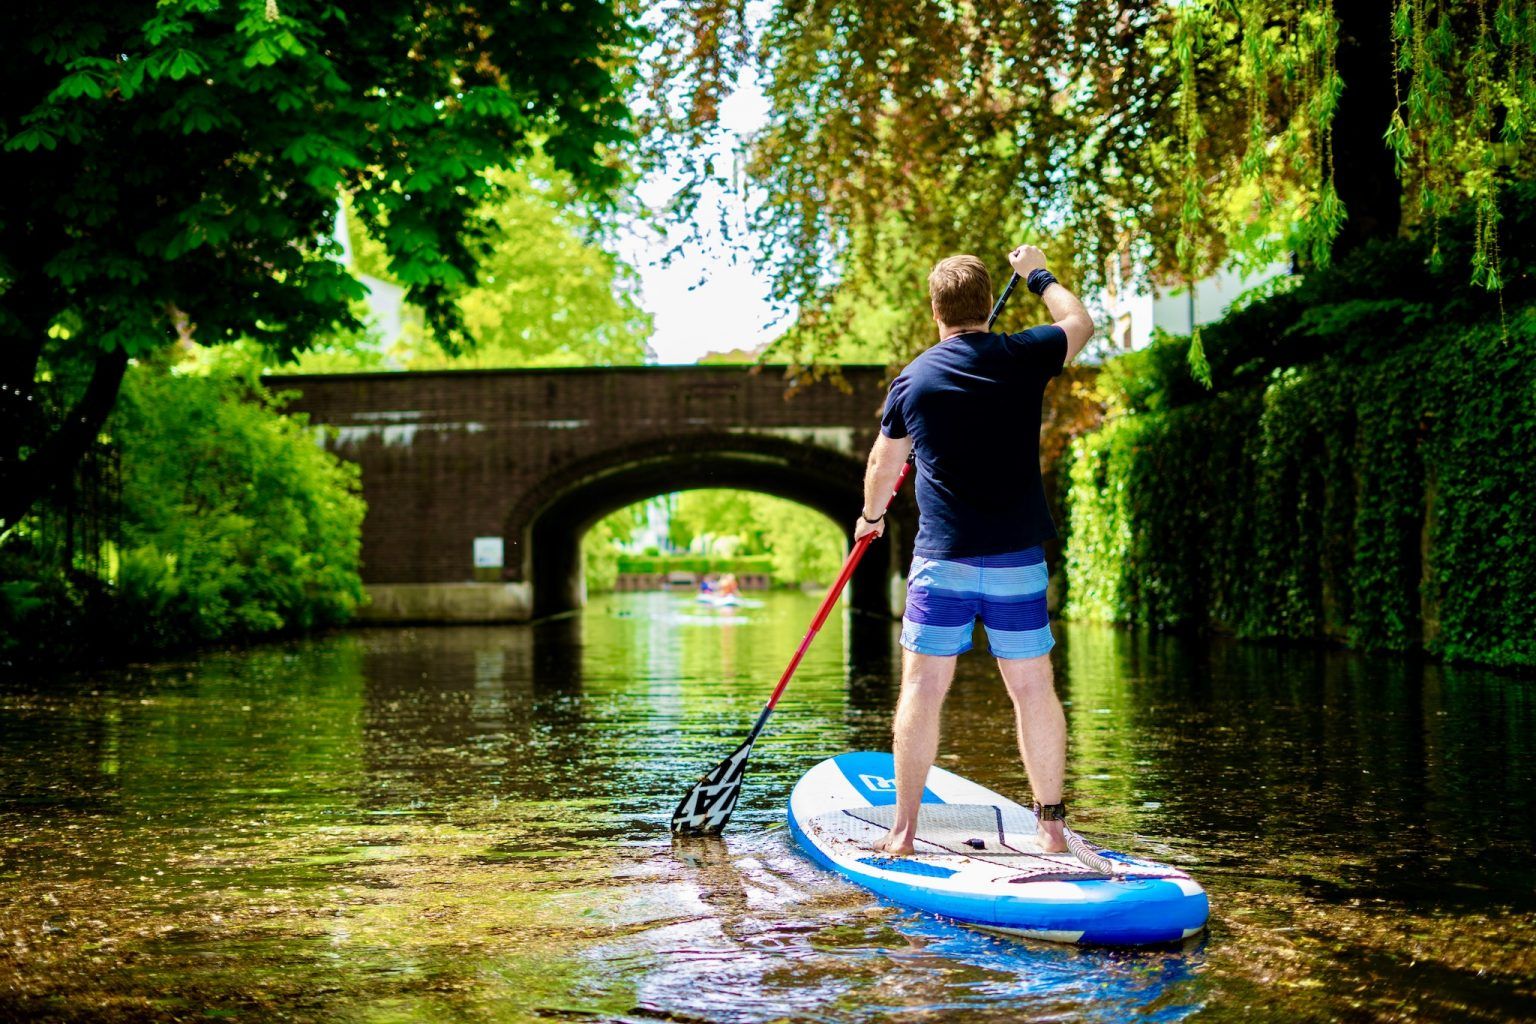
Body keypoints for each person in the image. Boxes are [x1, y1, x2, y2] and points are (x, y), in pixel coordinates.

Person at [854, 246, 1094, 856]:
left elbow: (885, 463)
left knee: (922, 689)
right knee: (1034, 689)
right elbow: (1080, 321)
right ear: (989, 304)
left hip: (944, 562)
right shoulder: (1022, 355)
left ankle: (903, 835)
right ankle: (1051, 831)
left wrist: (870, 519)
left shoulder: (915, 378)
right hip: (1016, 559)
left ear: (935, 309)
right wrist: (1037, 274)